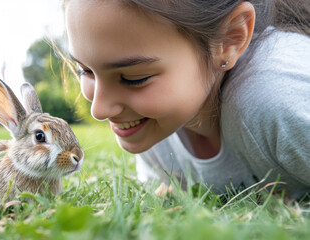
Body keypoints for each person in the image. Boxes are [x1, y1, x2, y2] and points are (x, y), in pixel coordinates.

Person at [64, 0, 310, 199]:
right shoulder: (154, 126)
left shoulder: (277, 99)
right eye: (85, 70)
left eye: (133, 78)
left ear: (229, 39)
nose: (99, 109)